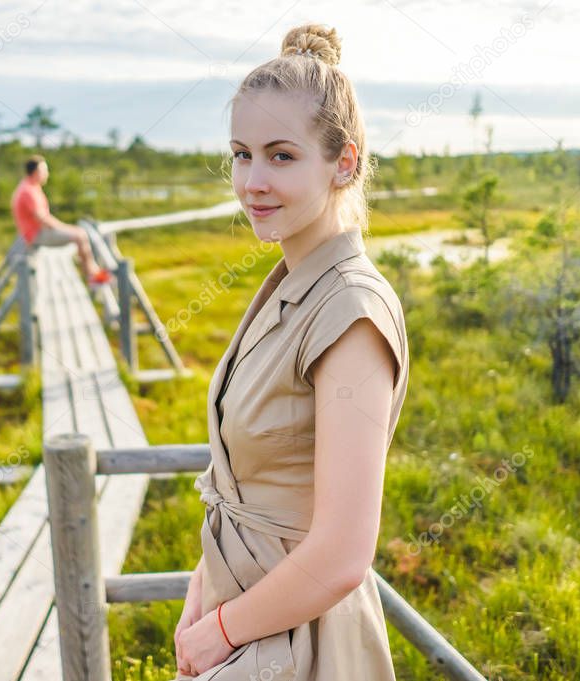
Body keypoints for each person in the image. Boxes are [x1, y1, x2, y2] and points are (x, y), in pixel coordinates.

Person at [172, 23, 409, 680]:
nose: (251, 180)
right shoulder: (292, 284)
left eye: (281, 156)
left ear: (344, 162)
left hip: (299, 643)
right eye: (240, 153)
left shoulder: (349, 313)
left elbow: (339, 554)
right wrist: (204, 587)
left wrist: (215, 633)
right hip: (246, 614)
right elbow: (252, 484)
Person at [10, 154, 113, 286]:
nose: (47, 174)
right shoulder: (28, 191)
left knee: (79, 234)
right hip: (35, 235)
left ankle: (91, 271)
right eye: (45, 170)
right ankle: (92, 276)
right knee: (80, 235)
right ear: (36, 172)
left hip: (34, 232)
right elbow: (43, 219)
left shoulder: (29, 186)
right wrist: (66, 228)